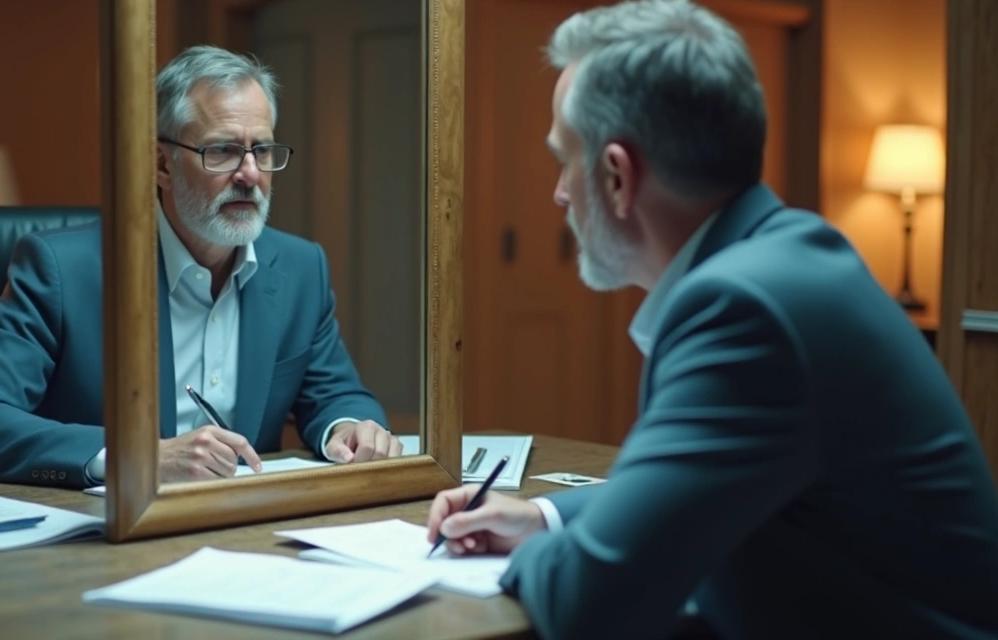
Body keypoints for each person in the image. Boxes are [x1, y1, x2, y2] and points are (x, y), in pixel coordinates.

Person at [425, 1, 998, 638]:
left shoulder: (744, 310)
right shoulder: (788, 256)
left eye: (566, 157)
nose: (560, 192)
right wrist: (546, 519)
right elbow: (683, 496)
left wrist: (537, 557)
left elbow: (591, 601)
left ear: (617, 177)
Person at [0, 45, 402, 489]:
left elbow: (337, 395)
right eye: (221, 150)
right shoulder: (61, 269)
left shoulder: (301, 268)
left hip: (251, 531)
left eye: (261, 150)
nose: (250, 174)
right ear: (162, 164)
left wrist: (349, 428)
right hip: (111, 536)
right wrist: (137, 458)